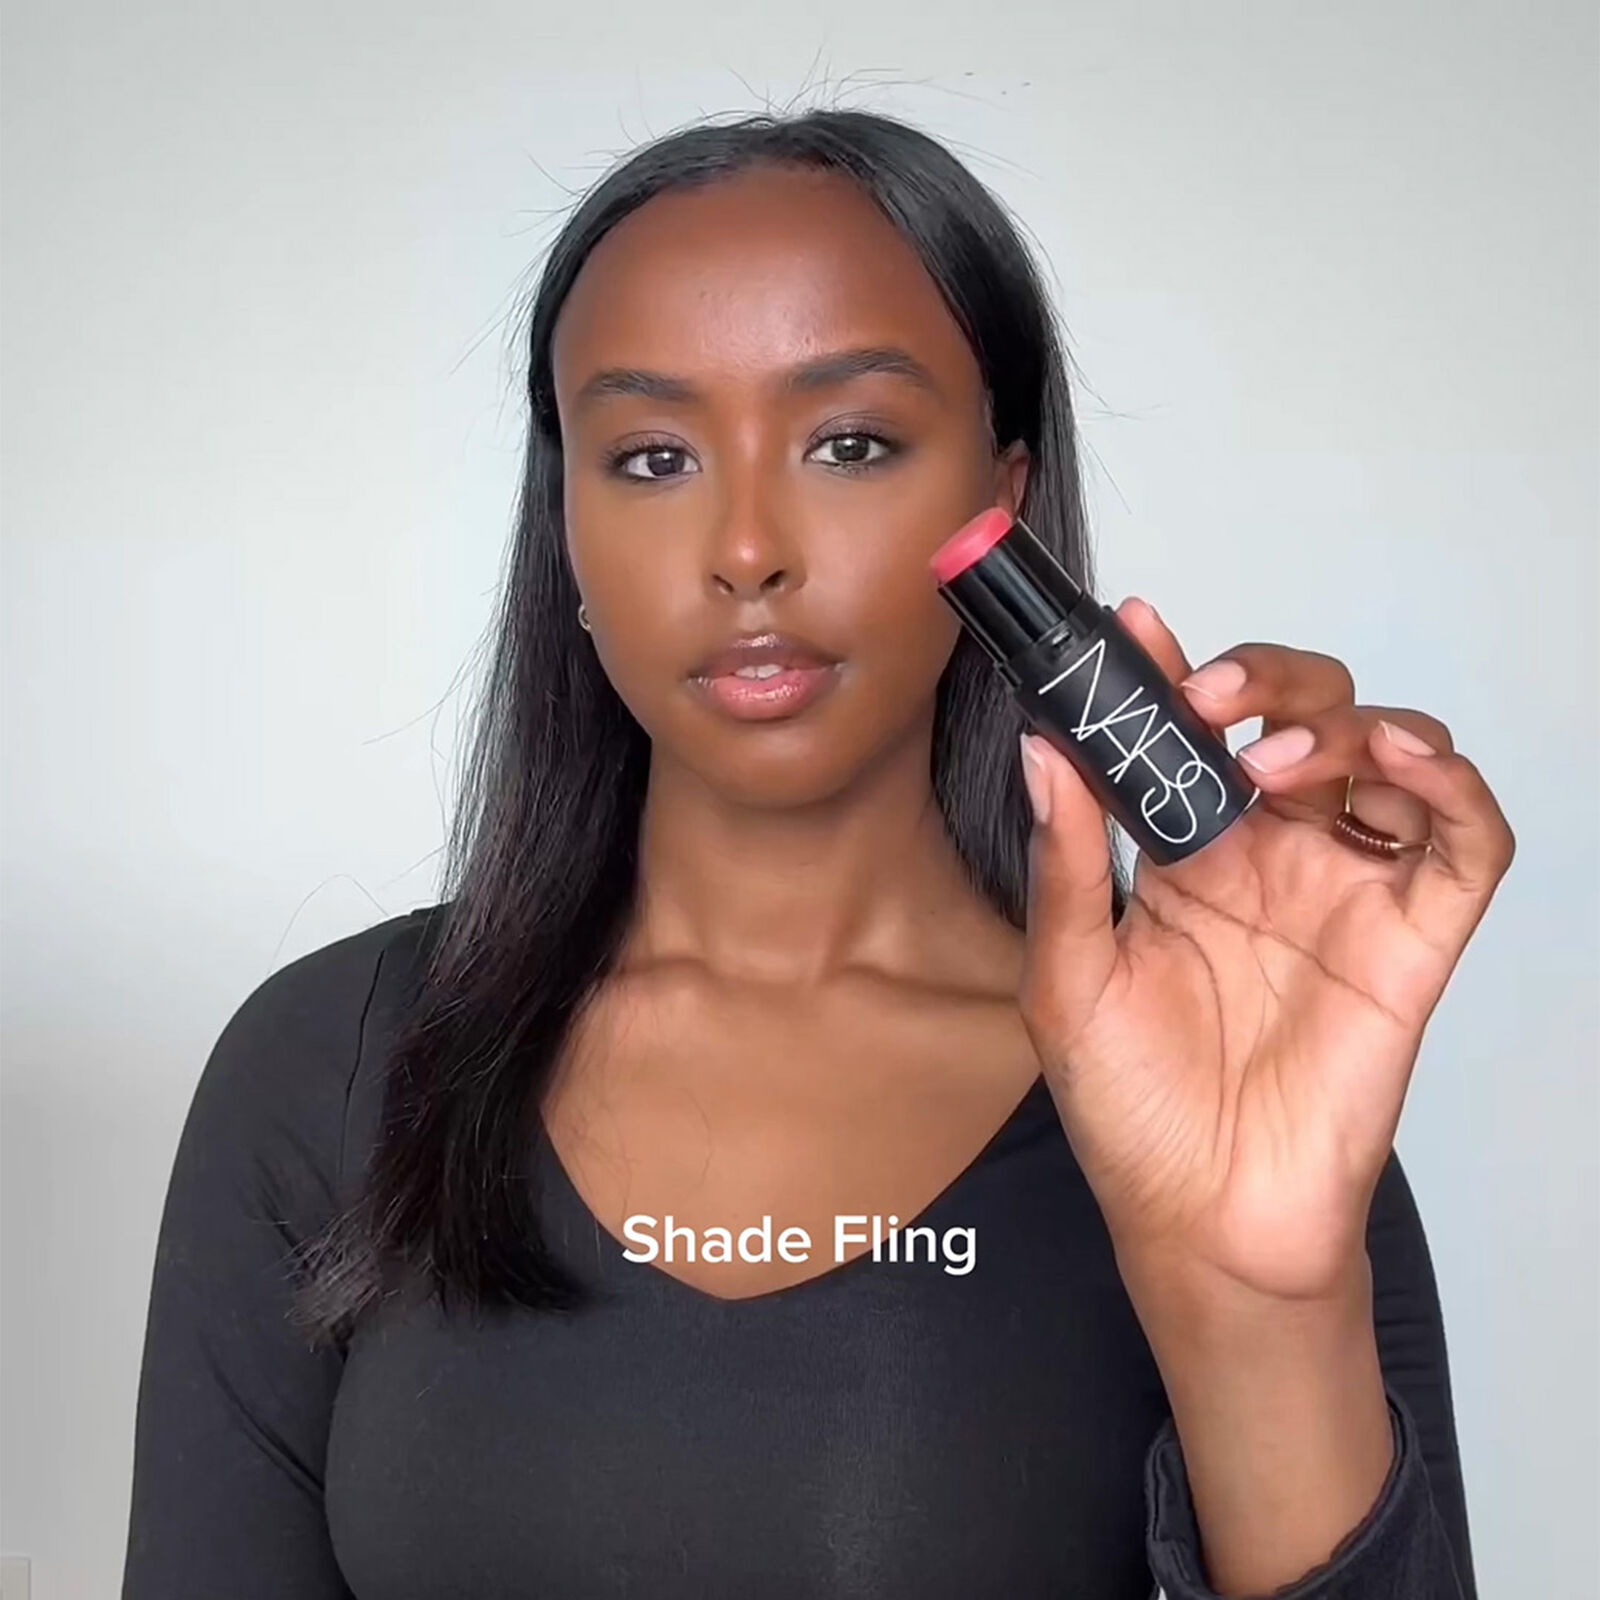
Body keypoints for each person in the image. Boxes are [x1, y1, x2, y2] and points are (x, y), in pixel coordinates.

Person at [120, 108, 1512, 1599]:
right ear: (567, 527)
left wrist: (1261, 1306)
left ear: (1001, 505)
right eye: (652, 456)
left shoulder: (1229, 1087)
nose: (746, 549)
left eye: (850, 443)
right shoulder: (331, 1068)